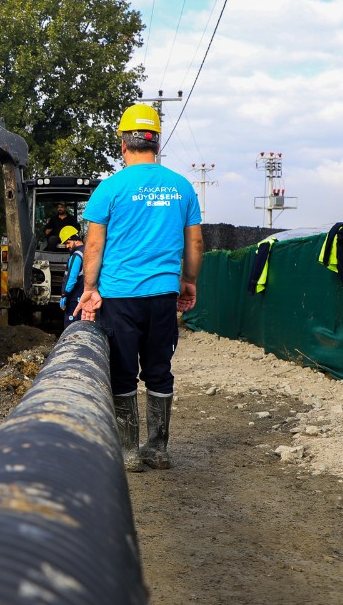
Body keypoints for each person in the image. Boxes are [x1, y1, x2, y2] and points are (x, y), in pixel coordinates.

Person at [74, 103, 203, 472]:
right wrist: (188, 282)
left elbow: (94, 246)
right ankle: (158, 449)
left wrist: (90, 288)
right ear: (156, 142)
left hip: (119, 297)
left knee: (123, 371)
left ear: (123, 144)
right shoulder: (181, 187)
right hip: (163, 296)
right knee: (159, 369)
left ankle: (129, 452)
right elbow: (195, 244)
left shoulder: (109, 189)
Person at [58, 228, 85, 328]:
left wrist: (65, 294)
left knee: (71, 328)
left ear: (76, 239)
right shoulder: (88, 251)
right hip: (84, 297)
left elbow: (71, 278)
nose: (67, 246)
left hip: (74, 299)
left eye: (68, 242)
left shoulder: (77, 255)